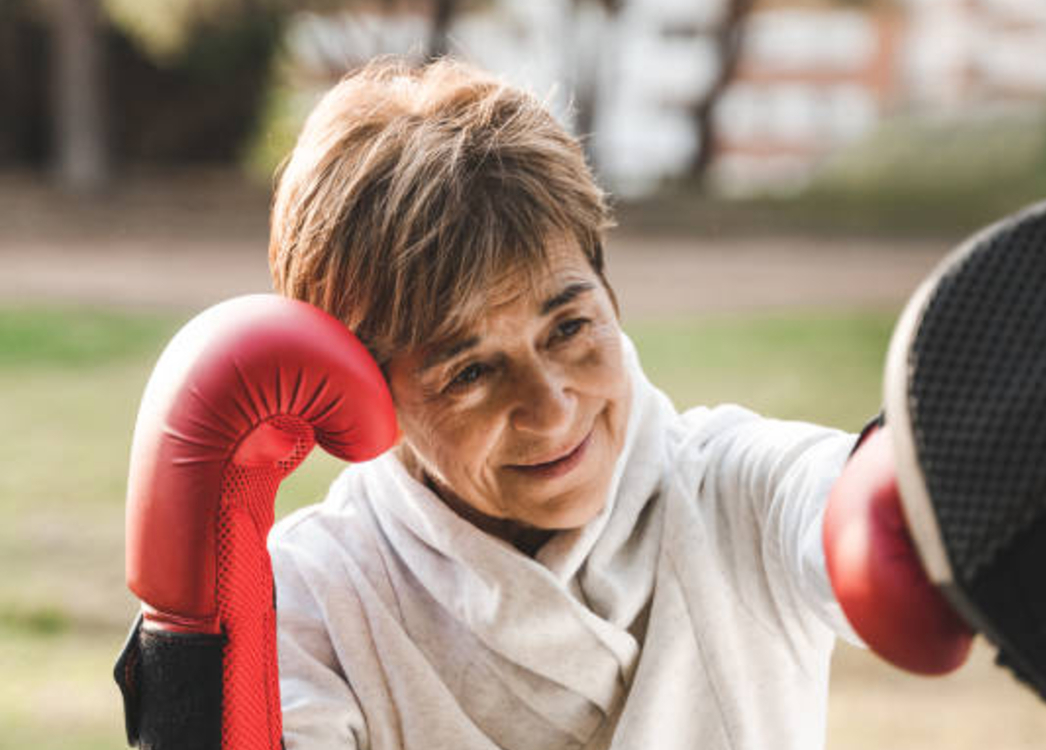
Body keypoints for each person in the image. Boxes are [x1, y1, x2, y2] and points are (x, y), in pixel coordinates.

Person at [264, 56, 867, 750]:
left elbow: (834, 499)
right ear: (363, 393)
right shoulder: (316, 595)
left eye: (570, 328)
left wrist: (903, 507)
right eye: (469, 373)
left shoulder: (737, 495)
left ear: (608, 294)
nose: (550, 411)